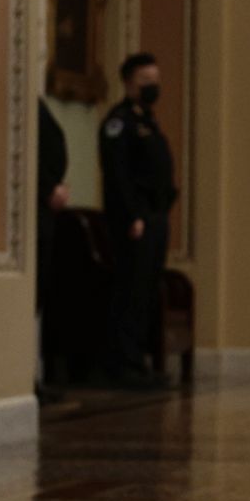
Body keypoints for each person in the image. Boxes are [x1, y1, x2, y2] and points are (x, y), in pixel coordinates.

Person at [99, 53, 177, 390]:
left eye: (155, 81)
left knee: (147, 290)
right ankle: (123, 363)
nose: (153, 88)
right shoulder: (119, 123)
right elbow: (118, 176)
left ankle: (140, 361)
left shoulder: (148, 121)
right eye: (146, 82)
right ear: (130, 84)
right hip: (134, 221)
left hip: (155, 217)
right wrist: (133, 216)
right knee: (130, 290)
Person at [36, 97, 71, 397]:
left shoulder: (36, 105)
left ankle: (33, 376)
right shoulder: (23, 107)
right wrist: (48, 188)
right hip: (34, 209)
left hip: (43, 211)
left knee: (39, 298)